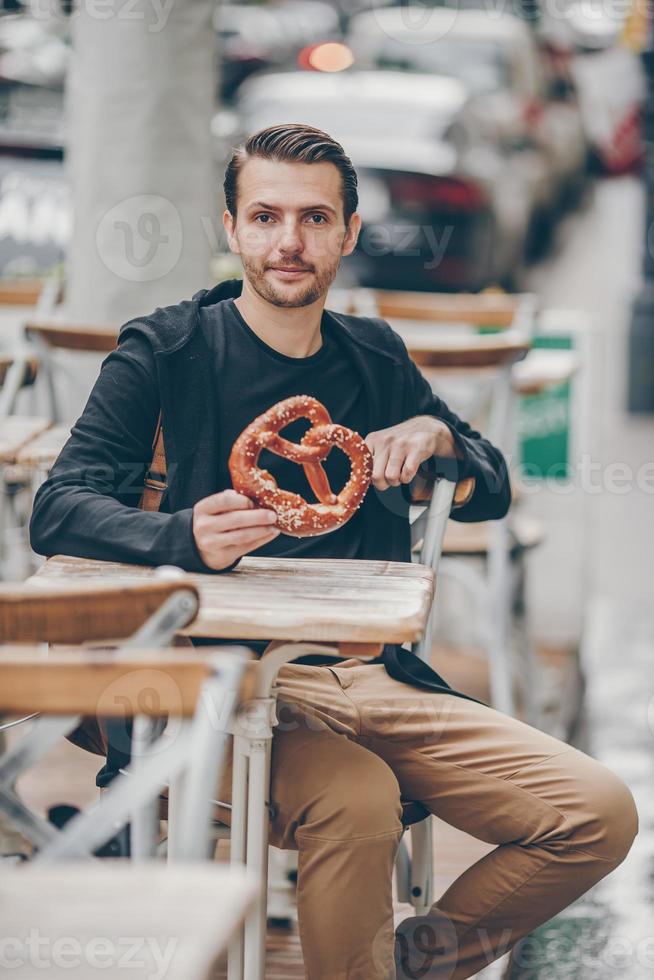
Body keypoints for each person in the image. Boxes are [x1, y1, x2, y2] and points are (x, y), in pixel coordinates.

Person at [30, 124, 637, 980]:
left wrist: (440, 435)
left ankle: (403, 967)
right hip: (210, 686)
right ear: (231, 228)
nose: (289, 241)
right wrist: (180, 535)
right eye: (266, 216)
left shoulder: (375, 357)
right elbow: (57, 508)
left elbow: (493, 489)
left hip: (367, 677)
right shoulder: (164, 353)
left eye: (315, 219)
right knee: (355, 800)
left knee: (596, 811)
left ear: (350, 234)